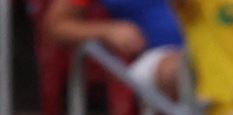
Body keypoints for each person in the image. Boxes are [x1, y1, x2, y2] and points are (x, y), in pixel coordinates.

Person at [43, 0, 184, 102]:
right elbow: (56, 26)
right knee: (184, 71)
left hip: (199, 49)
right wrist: (107, 31)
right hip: (155, 56)